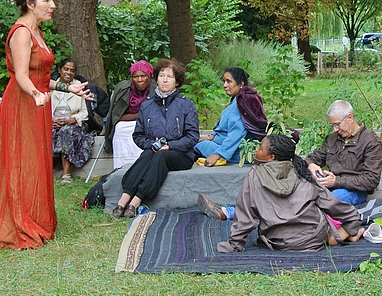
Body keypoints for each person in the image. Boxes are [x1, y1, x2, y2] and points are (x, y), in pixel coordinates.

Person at [0, 0, 92, 249]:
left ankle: (35, 216)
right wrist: (35, 94)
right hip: (23, 105)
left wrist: (71, 89)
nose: (52, 5)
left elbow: (42, 76)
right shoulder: (21, 32)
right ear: (30, 4)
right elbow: (21, 76)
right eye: (47, 0)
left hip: (37, 102)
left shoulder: (37, 31)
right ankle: (19, 223)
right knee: (23, 161)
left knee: (37, 161)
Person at [212, 134, 366, 252]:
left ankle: (336, 236)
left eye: (259, 148)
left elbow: (245, 215)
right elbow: (332, 204)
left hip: (278, 241)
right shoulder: (302, 172)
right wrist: (351, 222)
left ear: (271, 157)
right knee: (328, 214)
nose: (256, 150)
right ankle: (337, 236)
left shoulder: (254, 174)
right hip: (313, 239)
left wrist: (234, 244)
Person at [112, 58, 199, 218]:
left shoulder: (186, 105)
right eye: (161, 76)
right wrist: (151, 144)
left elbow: (192, 137)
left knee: (161, 156)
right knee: (147, 154)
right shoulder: (147, 105)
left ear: (177, 82)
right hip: (154, 150)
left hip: (181, 154)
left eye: (170, 77)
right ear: (156, 79)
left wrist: (171, 145)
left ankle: (135, 201)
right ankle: (123, 200)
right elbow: (138, 135)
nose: (165, 80)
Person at [305, 100, 382, 205]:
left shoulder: (370, 141)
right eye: (332, 125)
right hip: (330, 187)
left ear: (350, 118)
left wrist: (336, 181)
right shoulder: (332, 139)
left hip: (355, 190)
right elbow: (313, 158)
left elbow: (371, 180)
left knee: (330, 201)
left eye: (337, 124)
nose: (335, 129)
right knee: (303, 196)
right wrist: (310, 164)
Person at [194, 67, 268, 166]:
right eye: (224, 81)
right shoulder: (238, 99)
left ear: (241, 84)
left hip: (234, 151)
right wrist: (211, 137)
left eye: (229, 81)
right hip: (224, 145)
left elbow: (237, 133)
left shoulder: (243, 102)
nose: (225, 85)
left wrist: (218, 154)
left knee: (193, 145)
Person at [50, 58, 97, 184]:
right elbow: (44, 107)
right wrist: (52, 121)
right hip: (53, 122)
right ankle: (46, 172)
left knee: (66, 132)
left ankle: (66, 175)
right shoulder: (52, 86)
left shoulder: (79, 87)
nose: (68, 72)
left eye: (72, 70)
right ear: (59, 70)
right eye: (66, 69)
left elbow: (85, 112)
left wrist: (73, 119)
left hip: (74, 123)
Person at [104, 60, 156, 169]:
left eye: (143, 76)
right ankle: (121, 167)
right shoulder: (123, 89)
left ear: (150, 76)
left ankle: (144, 167)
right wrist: (140, 114)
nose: (140, 80)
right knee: (120, 129)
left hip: (149, 124)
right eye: (136, 76)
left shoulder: (156, 89)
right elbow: (116, 117)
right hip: (125, 123)